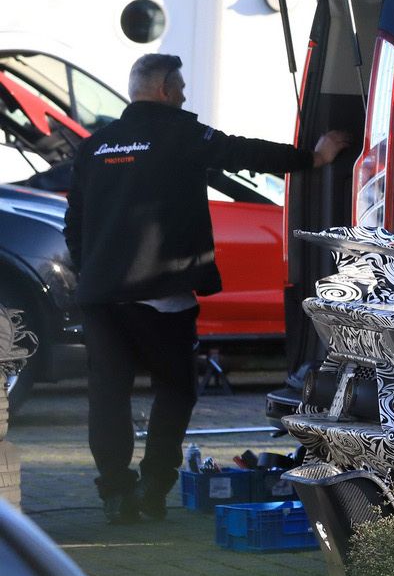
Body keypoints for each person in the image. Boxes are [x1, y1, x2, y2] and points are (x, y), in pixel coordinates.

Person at [64, 54, 348, 523]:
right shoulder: (179, 132)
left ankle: (115, 494)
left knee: (108, 398)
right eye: (179, 87)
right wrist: (313, 158)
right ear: (162, 90)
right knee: (176, 391)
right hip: (162, 295)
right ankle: (154, 487)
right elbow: (242, 152)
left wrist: (91, 270)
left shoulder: (94, 146)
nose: (184, 95)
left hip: (101, 297)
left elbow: (73, 222)